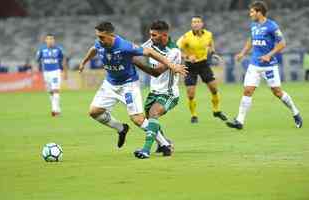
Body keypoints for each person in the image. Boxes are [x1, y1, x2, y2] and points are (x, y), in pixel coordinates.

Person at [78, 21, 187, 153]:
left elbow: (151, 57)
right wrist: (84, 62)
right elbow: (94, 49)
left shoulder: (124, 46)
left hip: (129, 85)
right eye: (97, 36)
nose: (98, 40)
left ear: (110, 35)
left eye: (101, 37)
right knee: (94, 112)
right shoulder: (100, 43)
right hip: (110, 84)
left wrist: (172, 65)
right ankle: (121, 128)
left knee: (140, 119)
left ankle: (164, 145)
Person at [226, 1, 303, 129]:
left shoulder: (272, 26)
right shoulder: (253, 25)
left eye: (252, 12)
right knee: (247, 90)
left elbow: (282, 43)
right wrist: (242, 53)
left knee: (277, 92)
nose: (250, 14)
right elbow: (251, 40)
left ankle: (295, 112)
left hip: (269, 65)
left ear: (259, 12)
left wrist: (269, 55)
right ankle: (239, 121)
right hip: (254, 65)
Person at [132, 20, 182, 158]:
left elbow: (156, 72)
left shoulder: (173, 51)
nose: (151, 37)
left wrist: (135, 61)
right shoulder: (150, 43)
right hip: (153, 92)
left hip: (169, 92)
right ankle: (165, 145)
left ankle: (145, 150)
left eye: (154, 35)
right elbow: (135, 52)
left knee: (154, 114)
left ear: (164, 35)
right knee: (148, 121)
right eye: (151, 34)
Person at [177, 15, 227, 123]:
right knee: (190, 94)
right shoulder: (186, 37)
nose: (195, 23)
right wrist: (187, 57)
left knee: (214, 89)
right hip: (190, 66)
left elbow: (210, 44)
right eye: (193, 22)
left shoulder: (208, 34)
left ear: (202, 24)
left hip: (203, 64)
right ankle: (194, 115)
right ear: (191, 24)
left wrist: (213, 53)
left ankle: (216, 110)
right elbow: (176, 51)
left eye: (198, 21)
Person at [36, 34, 68, 117]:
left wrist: (65, 72)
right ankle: (57, 108)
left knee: (55, 90)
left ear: (54, 40)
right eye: (48, 39)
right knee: (50, 92)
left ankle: (54, 110)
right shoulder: (42, 49)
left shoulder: (59, 49)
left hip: (56, 72)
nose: (50, 40)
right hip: (46, 73)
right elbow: (37, 60)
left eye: (52, 39)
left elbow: (64, 60)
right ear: (45, 40)